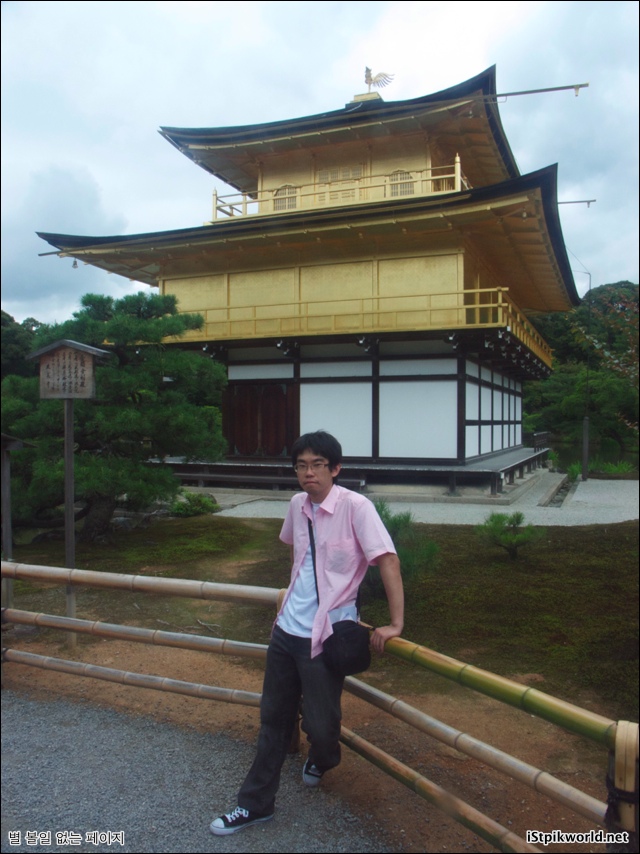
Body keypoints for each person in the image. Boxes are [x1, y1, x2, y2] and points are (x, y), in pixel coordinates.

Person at [210, 430, 404, 836]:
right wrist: (293, 595)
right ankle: (254, 804)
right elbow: (298, 554)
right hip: (286, 631)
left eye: (317, 465)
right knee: (272, 720)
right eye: (301, 466)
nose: (308, 473)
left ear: (336, 468)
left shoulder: (357, 507)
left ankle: (324, 756)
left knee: (322, 725)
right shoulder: (297, 505)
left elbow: (387, 559)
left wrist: (395, 623)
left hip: (325, 636)